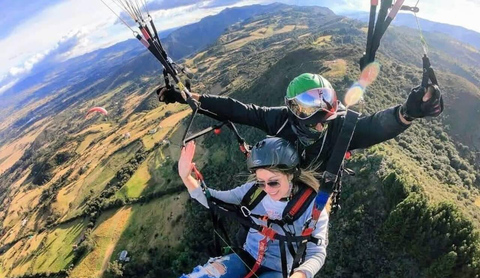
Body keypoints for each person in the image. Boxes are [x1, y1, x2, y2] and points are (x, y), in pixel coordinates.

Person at [109, 137, 329, 278]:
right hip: (246, 256)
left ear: (291, 174)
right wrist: (186, 177)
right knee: (200, 277)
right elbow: (213, 200)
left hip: (276, 272)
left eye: (273, 182)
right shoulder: (253, 192)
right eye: (262, 182)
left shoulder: (314, 208)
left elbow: (317, 255)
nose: (267, 189)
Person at [158, 73, 444, 172]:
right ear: (295, 111)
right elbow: (238, 109)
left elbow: (375, 127)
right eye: (314, 118)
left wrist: (407, 112)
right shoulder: (280, 119)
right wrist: (188, 97)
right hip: (285, 181)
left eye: (324, 117)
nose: (321, 125)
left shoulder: (340, 127)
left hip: (318, 183)